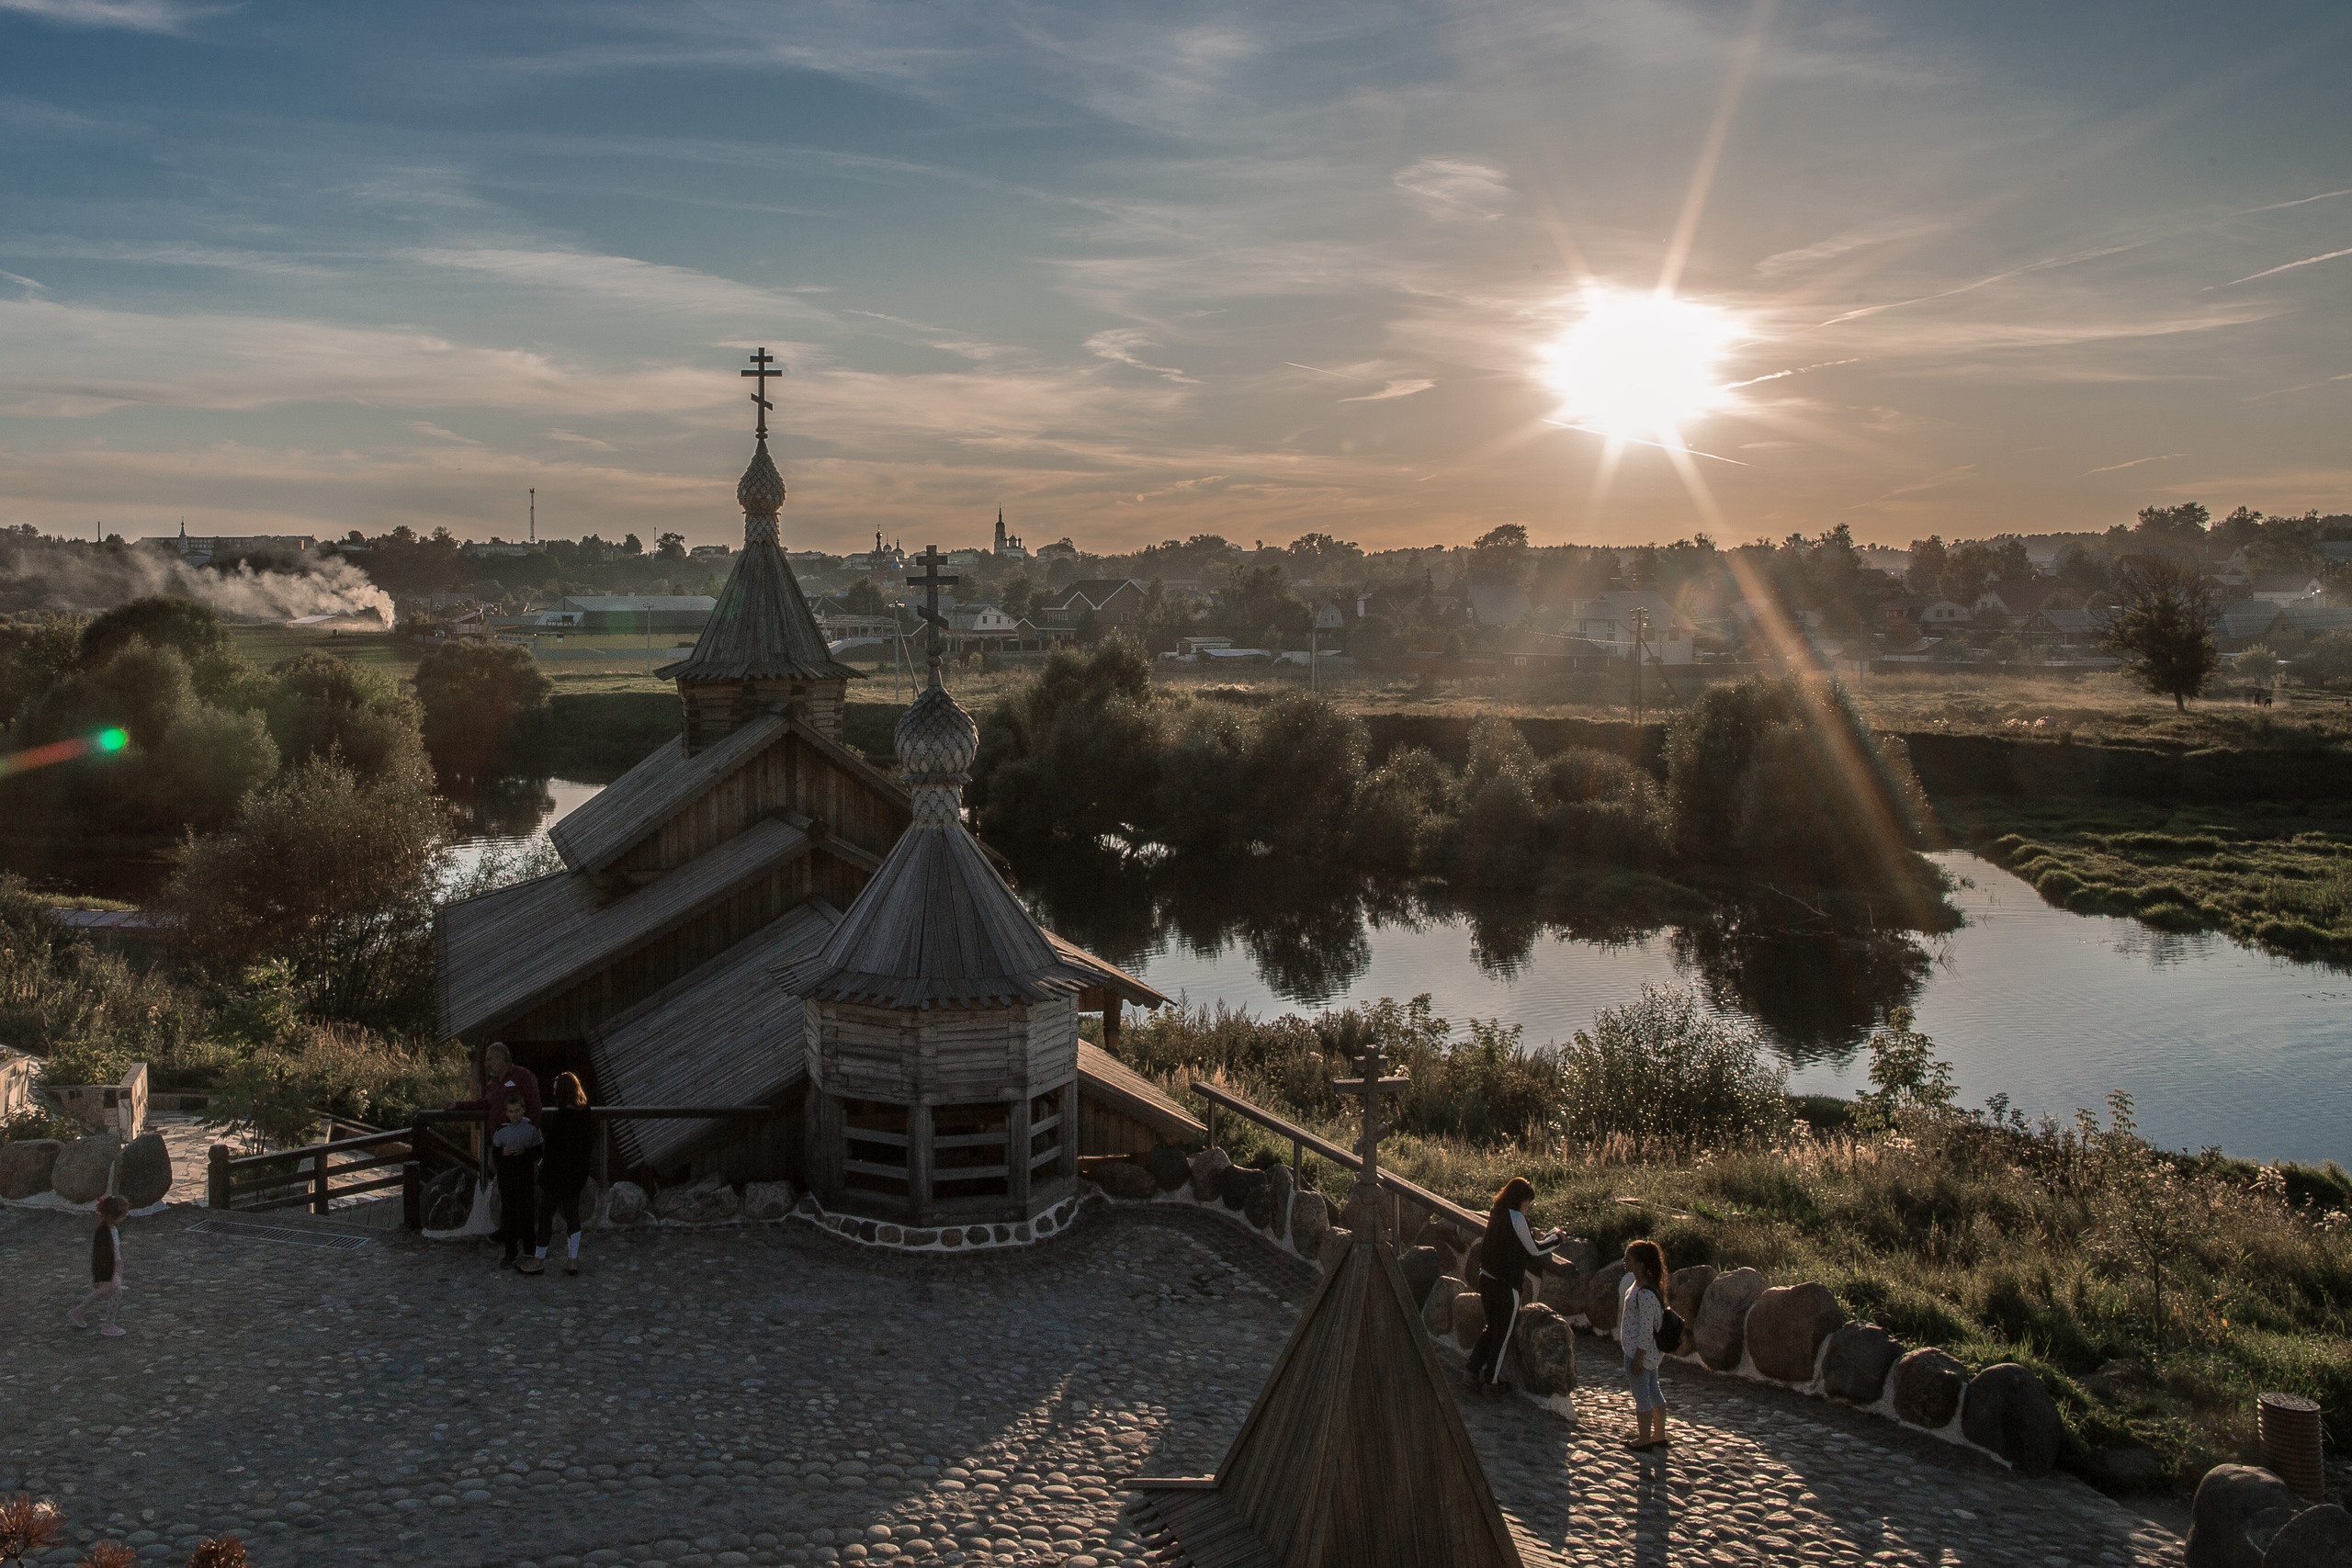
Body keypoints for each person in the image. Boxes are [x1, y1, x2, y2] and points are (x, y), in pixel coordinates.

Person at [1470, 1176, 1562, 1391]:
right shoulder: (1516, 1217)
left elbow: (1515, 1239)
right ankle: (1492, 1381)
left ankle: (1472, 1369)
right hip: (1506, 1284)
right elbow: (1534, 1249)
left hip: (1487, 1278)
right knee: (1503, 1334)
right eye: (1528, 1201)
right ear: (1521, 1200)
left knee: (1491, 1328)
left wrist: (1533, 1235)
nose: (1528, 1206)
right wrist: (1557, 1238)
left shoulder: (1497, 1212)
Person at [530, 1071, 594, 1277]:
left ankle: (539, 1259)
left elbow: (552, 1149)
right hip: (576, 1174)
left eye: (556, 1089)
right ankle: (572, 1260)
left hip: (557, 1175)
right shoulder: (585, 1114)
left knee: (545, 1215)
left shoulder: (561, 1117)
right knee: (572, 1216)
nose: (554, 1092)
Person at [1619, 1238, 1669, 1450]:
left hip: (1639, 1352)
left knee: (1642, 1396)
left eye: (1628, 1259)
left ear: (1641, 1264)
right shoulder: (1641, 1286)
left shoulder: (1645, 1293)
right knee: (1653, 1390)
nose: (1624, 1262)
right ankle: (1659, 1435)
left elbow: (1646, 1330)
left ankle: (1644, 1438)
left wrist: (1638, 1356)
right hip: (1648, 1353)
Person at [490, 1091, 544, 1272]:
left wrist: (525, 1152)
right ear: (507, 1113)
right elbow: (495, 1153)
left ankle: (530, 1248)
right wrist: (503, 1154)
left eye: (517, 1110)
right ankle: (510, 1251)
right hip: (507, 1178)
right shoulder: (502, 1130)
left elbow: (538, 1151)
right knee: (509, 1214)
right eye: (511, 1111)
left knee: (527, 1212)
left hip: (525, 1176)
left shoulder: (531, 1129)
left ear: (523, 1110)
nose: (515, 1114)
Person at [68, 1195, 131, 1337]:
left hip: (114, 1266)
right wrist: (99, 1277)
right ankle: (108, 1325)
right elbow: (99, 1256)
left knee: (104, 1292)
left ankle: (78, 1311)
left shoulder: (113, 1228)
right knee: (115, 1293)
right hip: (107, 1269)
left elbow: (116, 1250)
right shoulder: (103, 1232)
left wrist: (119, 1268)